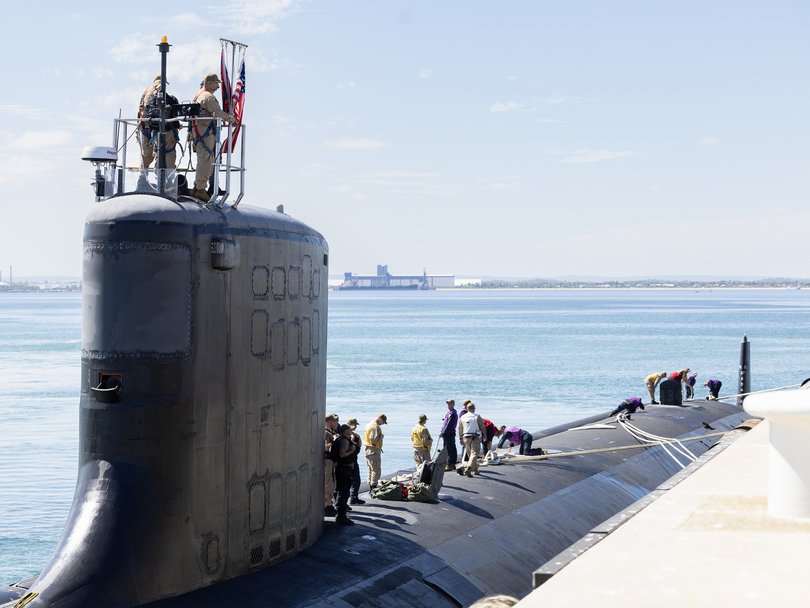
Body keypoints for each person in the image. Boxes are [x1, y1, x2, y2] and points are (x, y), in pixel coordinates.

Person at [191, 72, 235, 201]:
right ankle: (200, 189)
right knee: (206, 160)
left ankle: (197, 187)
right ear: (209, 83)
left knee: (205, 159)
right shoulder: (208, 97)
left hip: (200, 131)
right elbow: (218, 112)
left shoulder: (199, 94)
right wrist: (232, 119)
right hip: (205, 133)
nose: (218, 87)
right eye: (216, 84)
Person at [137, 75, 178, 175]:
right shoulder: (160, 89)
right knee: (164, 153)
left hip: (144, 127)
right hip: (160, 128)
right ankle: (163, 182)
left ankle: (142, 180)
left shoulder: (146, 92)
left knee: (145, 156)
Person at [334, 424, 357, 525]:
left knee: (343, 492)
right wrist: (352, 450)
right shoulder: (344, 441)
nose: (351, 430)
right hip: (344, 470)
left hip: (343, 469)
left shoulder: (343, 439)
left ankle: (341, 515)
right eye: (349, 429)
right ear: (345, 431)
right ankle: (341, 516)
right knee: (344, 493)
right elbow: (342, 454)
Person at [457, 403, 486, 477]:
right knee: (475, 454)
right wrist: (485, 436)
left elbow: (460, 428)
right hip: (475, 437)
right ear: (474, 408)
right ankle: (469, 468)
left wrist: (460, 437)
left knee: (471, 455)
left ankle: (476, 470)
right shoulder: (477, 416)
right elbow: (482, 427)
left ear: (467, 408)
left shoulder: (462, 417)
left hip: (465, 437)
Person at [363, 414, 387, 489]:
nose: (382, 424)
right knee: (376, 470)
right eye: (383, 422)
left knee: (371, 469)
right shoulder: (375, 427)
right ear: (380, 419)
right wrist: (381, 437)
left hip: (368, 449)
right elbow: (373, 440)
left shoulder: (369, 424)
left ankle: (370, 484)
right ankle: (373, 487)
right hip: (373, 449)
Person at [323, 413, 339, 517]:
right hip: (327, 460)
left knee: (332, 483)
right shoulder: (325, 433)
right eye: (335, 421)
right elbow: (324, 447)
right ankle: (326, 505)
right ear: (331, 422)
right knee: (328, 483)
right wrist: (334, 441)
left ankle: (329, 503)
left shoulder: (330, 432)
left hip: (332, 461)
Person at [346, 418, 365, 505]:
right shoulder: (352, 436)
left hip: (352, 459)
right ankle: (353, 497)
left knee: (356, 480)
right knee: (354, 480)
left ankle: (354, 497)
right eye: (355, 425)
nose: (356, 427)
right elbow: (358, 447)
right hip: (349, 461)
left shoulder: (352, 435)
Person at [439, 399, 459, 471]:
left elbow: (449, 425)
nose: (448, 405)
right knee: (452, 448)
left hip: (449, 434)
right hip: (450, 433)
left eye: (450, 404)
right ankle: (452, 464)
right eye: (448, 404)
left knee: (448, 449)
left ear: (453, 404)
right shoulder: (450, 412)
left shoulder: (452, 413)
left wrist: (443, 432)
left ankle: (449, 464)